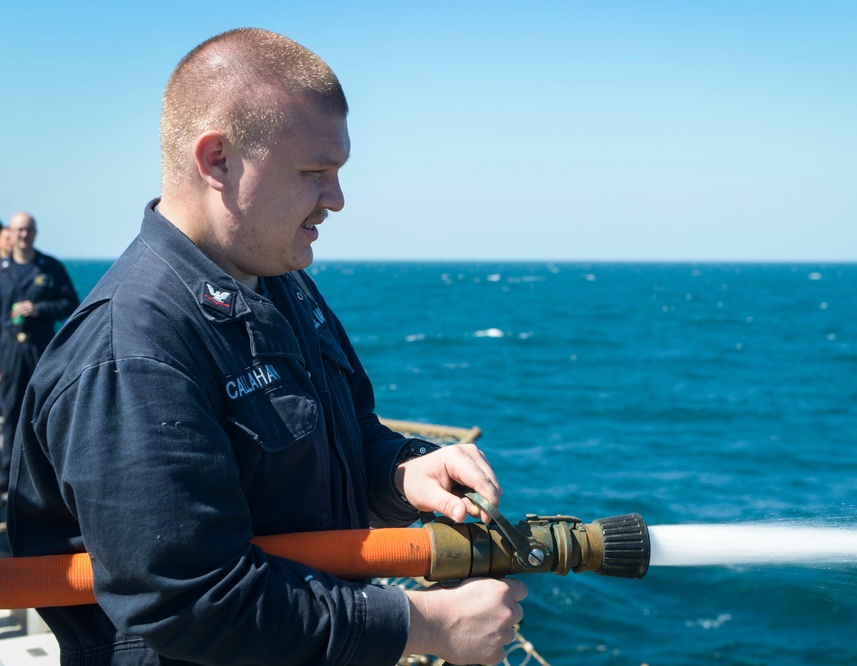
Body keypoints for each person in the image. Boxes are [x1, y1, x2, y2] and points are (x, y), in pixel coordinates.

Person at [8, 28, 526, 666]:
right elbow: (191, 601)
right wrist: (420, 625)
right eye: (315, 173)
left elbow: (338, 440)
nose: (336, 199)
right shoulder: (131, 351)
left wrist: (398, 472)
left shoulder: (283, 285)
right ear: (217, 160)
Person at [0, 211, 79, 497]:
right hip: (9, 349)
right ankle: (8, 480)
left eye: (29, 230)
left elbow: (71, 304)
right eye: (19, 230)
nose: (24, 235)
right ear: (11, 232)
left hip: (42, 349)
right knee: (10, 413)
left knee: (44, 411)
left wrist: (39, 310)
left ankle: (45, 478)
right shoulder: (2, 268)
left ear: (35, 233)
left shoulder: (51, 268)